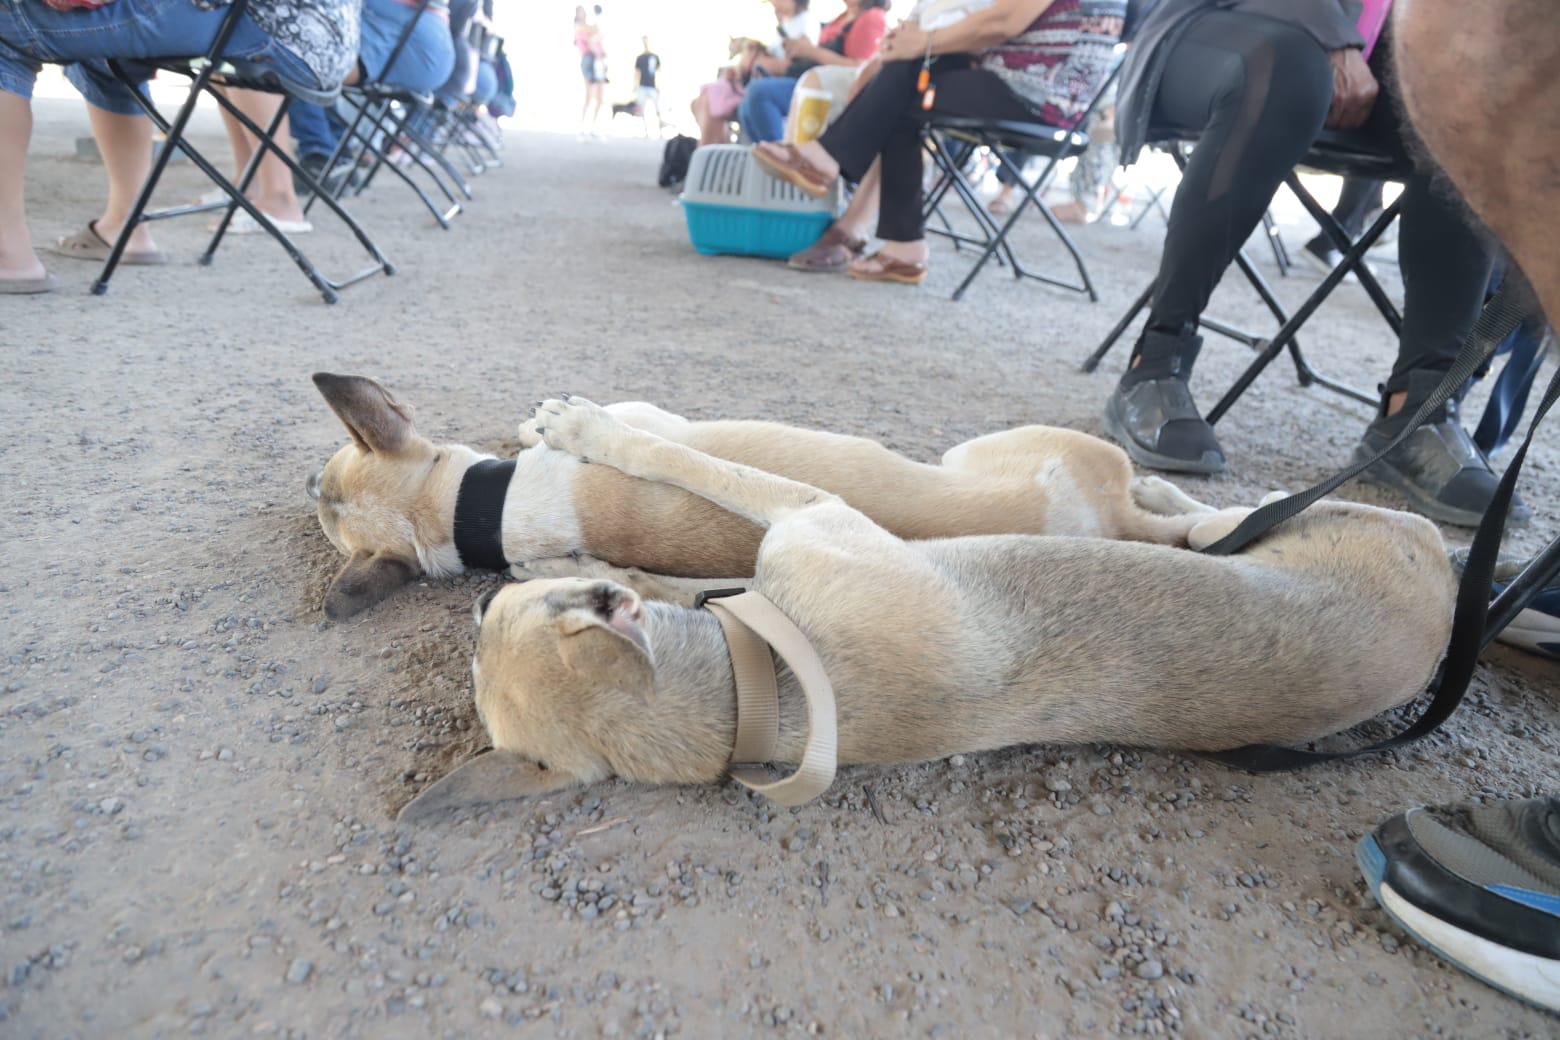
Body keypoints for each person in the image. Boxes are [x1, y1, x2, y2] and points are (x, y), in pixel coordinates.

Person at [1098, 0, 1529, 527]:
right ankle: (1154, 363)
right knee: (1290, 61)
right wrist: (1330, 33)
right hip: (1214, 28)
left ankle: (1416, 412)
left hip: (1377, 54)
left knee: (1469, 93)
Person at [755, 0, 1125, 285]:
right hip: (1039, 85)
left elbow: (1004, 21)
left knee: (909, 81)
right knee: (913, 75)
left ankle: (829, 165)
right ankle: (894, 240)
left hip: (1043, 90)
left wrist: (922, 42)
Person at [0, 0, 359, 294]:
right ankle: (124, 227)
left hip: (264, 23)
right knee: (99, 55)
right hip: (320, 33)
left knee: (6, 27)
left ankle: (8, 254)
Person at [738, 0, 889, 144]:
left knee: (760, 93)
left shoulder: (872, 17)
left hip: (826, 90)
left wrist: (811, 51)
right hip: (807, 79)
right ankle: (768, 158)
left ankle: (782, 157)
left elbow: (860, 68)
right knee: (747, 102)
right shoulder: (841, 18)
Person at [691, 0, 817, 147]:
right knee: (700, 102)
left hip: (778, 81)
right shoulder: (784, 25)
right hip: (758, 80)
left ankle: (707, 151)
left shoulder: (806, 22)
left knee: (713, 100)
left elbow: (799, 61)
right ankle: (715, 152)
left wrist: (758, 61)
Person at [574, 4, 607, 137]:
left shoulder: (589, 26)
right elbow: (595, 33)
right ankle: (582, 128)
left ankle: (593, 127)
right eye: (581, 12)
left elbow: (598, 33)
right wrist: (595, 33)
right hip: (589, 60)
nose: (585, 14)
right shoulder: (579, 26)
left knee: (600, 97)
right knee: (589, 96)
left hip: (599, 60)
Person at [633, 36, 662, 138]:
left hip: (653, 86)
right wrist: (635, 85)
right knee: (641, 109)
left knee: (658, 109)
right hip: (642, 86)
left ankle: (660, 131)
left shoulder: (655, 57)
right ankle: (645, 132)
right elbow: (637, 72)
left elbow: (659, 72)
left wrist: (659, 86)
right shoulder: (640, 58)